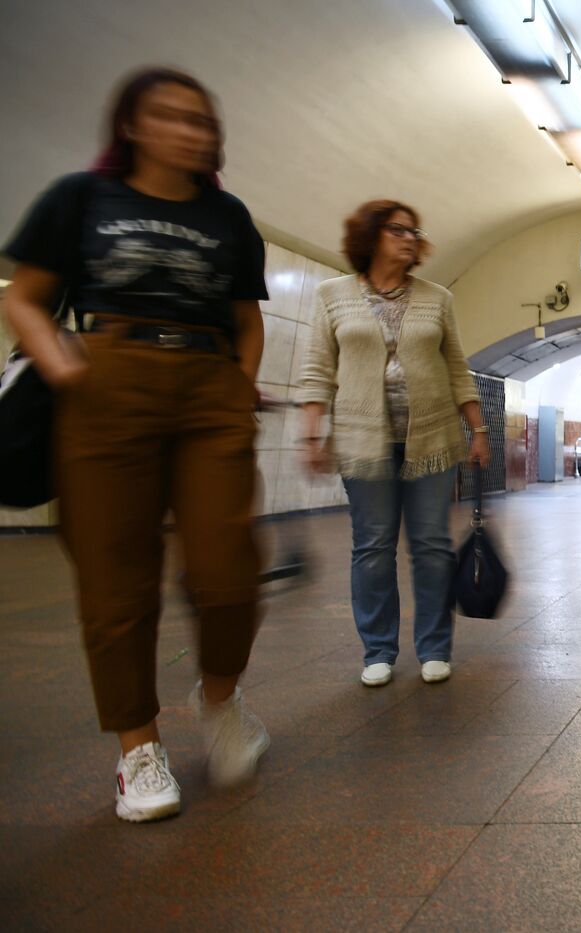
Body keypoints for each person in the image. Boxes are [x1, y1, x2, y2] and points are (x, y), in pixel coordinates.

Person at [1, 67, 270, 822]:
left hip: (208, 386)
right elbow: (24, 298)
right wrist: (63, 367)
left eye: (201, 119)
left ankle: (220, 699)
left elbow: (245, 319)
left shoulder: (228, 215)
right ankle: (137, 751)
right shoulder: (79, 198)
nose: (191, 131)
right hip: (104, 382)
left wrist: (238, 392)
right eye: (171, 116)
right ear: (131, 125)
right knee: (115, 575)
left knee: (228, 567)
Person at [298, 199, 489, 688]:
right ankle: (378, 650)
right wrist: (312, 432)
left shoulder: (436, 298)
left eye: (414, 231)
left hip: (432, 438)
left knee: (431, 546)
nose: (410, 238)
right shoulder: (332, 295)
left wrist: (479, 430)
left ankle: (434, 648)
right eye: (398, 230)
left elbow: (455, 368)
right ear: (371, 236)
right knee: (373, 547)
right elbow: (319, 368)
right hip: (363, 441)